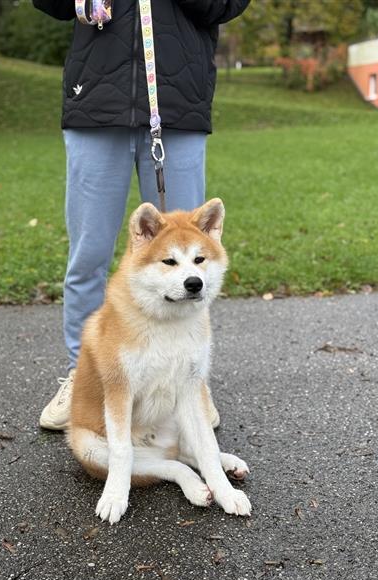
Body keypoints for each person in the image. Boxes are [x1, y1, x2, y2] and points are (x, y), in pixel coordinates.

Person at [33, 0, 250, 430]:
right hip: (95, 105)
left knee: (189, 258)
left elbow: (225, 6)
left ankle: (190, 384)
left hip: (178, 106)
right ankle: (86, 375)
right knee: (89, 257)